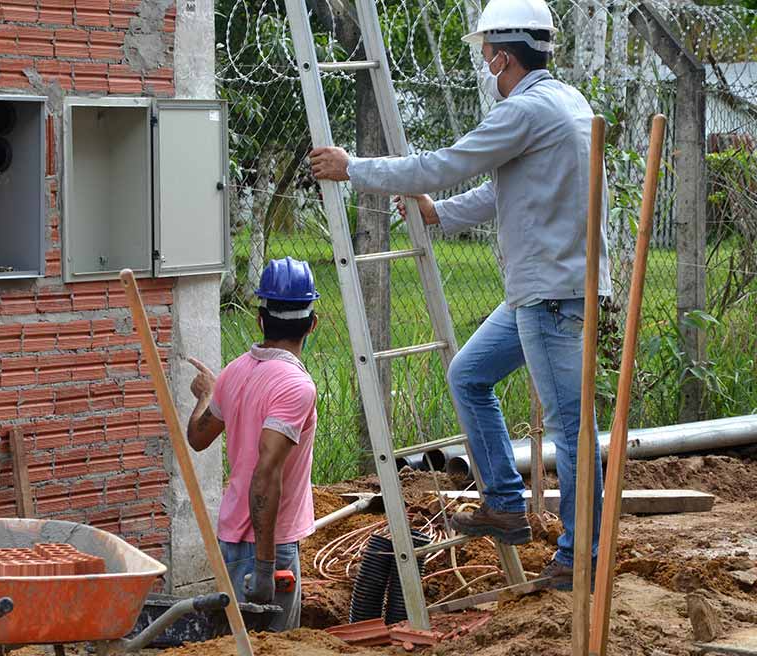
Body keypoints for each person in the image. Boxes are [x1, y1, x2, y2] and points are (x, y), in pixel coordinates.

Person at [307, 0, 611, 589]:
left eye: (486, 55)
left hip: (550, 296)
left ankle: (579, 560)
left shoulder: (524, 111)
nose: (485, 65)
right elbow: (508, 193)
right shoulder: (564, 102)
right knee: (468, 373)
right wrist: (439, 214)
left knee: (574, 431)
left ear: (502, 53)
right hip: (546, 290)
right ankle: (504, 499)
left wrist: (354, 168)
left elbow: (443, 164)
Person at [185, 256, 320, 630]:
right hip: (268, 547)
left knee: (238, 642)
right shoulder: (296, 386)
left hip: (231, 539)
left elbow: (198, 437)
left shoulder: (234, 371)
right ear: (313, 324)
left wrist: (206, 395)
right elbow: (266, 472)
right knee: (275, 647)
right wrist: (265, 568)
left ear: (260, 320)